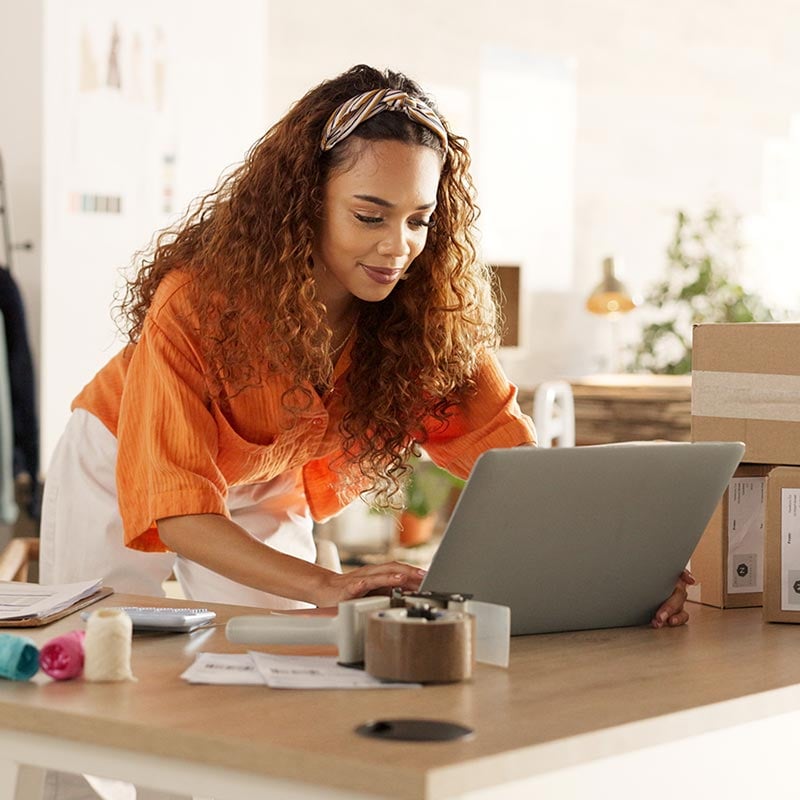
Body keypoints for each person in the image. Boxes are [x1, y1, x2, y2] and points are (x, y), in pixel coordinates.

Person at [40, 63, 692, 628]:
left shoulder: (427, 323)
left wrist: (628, 562)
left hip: (261, 480)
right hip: (119, 453)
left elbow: (517, 466)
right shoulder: (197, 302)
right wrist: (327, 583)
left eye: (418, 220)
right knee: (99, 650)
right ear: (304, 200)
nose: (397, 246)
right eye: (369, 215)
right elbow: (179, 509)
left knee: (283, 664)